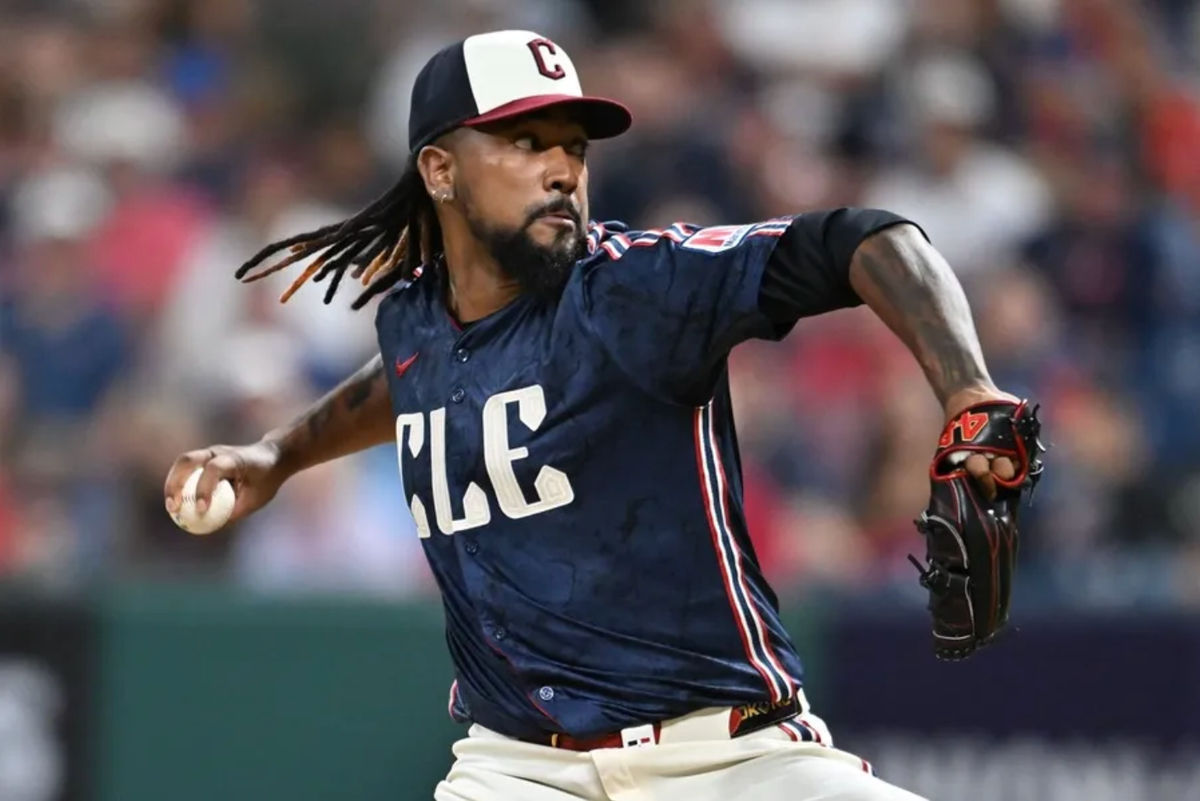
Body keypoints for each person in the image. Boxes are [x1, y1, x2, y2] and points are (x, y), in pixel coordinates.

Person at [164, 30, 1022, 801]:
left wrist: (966, 387)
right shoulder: (413, 321)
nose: (561, 167)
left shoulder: (637, 290)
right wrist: (276, 454)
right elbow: (399, 380)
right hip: (518, 767)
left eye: (573, 146)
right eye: (523, 141)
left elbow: (866, 240)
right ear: (439, 170)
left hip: (728, 760)